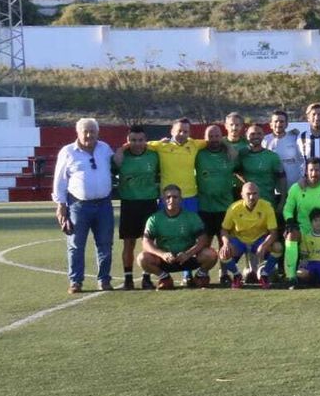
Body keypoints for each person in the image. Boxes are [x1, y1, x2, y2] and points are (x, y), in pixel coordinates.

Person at [52, 116, 116, 294]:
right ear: (78, 133)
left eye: (92, 131)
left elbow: (117, 164)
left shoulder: (105, 149)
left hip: (104, 204)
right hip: (78, 206)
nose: (89, 135)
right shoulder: (67, 152)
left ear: (98, 132)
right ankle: (76, 281)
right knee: (76, 244)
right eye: (85, 131)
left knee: (105, 244)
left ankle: (104, 280)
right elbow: (59, 181)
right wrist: (61, 205)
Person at [138, 184, 217, 289]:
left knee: (211, 254)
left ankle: (200, 276)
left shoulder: (192, 217)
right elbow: (146, 243)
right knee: (142, 258)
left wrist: (188, 254)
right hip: (165, 259)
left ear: (181, 199)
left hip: (187, 258)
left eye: (175, 197)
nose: (171, 200)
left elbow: (202, 240)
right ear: (163, 200)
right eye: (168, 197)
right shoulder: (154, 219)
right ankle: (165, 278)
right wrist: (162, 254)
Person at [112, 124, 158, 291]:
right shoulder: (120, 157)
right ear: (127, 140)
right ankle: (128, 279)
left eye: (140, 140)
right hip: (129, 204)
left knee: (148, 242)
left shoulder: (154, 156)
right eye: (133, 140)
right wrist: (119, 152)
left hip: (150, 203)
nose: (137, 143)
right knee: (129, 243)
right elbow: (111, 168)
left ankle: (147, 277)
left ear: (146, 140)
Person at [280, 158, 320, 283]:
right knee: (291, 234)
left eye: (317, 170)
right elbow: (287, 209)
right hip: (303, 232)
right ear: (306, 171)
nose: (314, 173)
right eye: (311, 170)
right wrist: (290, 220)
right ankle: (292, 277)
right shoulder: (296, 189)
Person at [219, 180, 280, 288]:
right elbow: (224, 230)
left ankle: (264, 275)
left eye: (254, 194)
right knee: (223, 253)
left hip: (259, 240)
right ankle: (237, 275)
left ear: (259, 194)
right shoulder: (234, 208)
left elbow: (273, 232)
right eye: (248, 194)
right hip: (240, 241)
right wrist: (226, 243)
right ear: (242, 195)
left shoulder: (267, 207)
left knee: (278, 247)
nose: (252, 197)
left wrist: (264, 245)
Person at [147, 118, 204, 213]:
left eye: (185, 132)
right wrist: (121, 151)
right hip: (168, 196)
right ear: (172, 131)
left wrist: (228, 148)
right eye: (179, 131)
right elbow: (137, 144)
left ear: (189, 133)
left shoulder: (194, 144)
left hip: (189, 196)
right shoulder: (161, 145)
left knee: (191, 227)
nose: (182, 134)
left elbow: (215, 140)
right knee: (167, 227)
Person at [193, 125, 240, 239]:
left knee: (226, 246)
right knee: (204, 248)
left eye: (217, 136)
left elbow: (241, 172)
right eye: (210, 136)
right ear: (204, 137)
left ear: (221, 137)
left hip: (226, 207)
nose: (214, 139)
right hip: (204, 208)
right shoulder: (198, 153)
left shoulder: (231, 154)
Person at [235, 124, 286, 211]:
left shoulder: (272, 156)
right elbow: (236, 172)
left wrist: (282, 200)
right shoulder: (241, 154)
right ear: (246, 136)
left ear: (263, 135)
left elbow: (282, 179)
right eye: (252, 134)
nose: (256, 136)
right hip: (247, 206)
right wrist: (247, 182)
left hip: (268, 204)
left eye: (259, 134)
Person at [264, 109, 306, 191]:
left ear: (287, 124)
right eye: (276, 121)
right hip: (274, 189)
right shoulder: (265, 140)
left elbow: (304, 160)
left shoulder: (295, 138)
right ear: (271, 124)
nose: (278, 124)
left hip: (296, 187)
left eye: (282, 121)